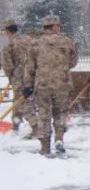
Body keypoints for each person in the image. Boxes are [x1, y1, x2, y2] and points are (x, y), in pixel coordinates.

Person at [23, 16, 78, 155]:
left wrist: (28, 85)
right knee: (60, 113)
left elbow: (30, 66)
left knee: (43, 115)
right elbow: (73, 62)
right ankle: (59, 138)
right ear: (53, 27)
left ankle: (45, 146)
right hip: (62, 84)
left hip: (43, 85)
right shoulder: (67, 42)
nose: (59, 27)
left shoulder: (35, 43)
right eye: (58, 25)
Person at [1, 18, 38, 136]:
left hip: (19, 77)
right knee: (20, 100)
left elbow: (8, 65)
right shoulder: (29, 40)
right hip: (33, 75)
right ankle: (15, 125)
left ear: (7, 31)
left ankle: (36, 127)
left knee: (22, 102)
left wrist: (11, 77)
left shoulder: (9, 45)